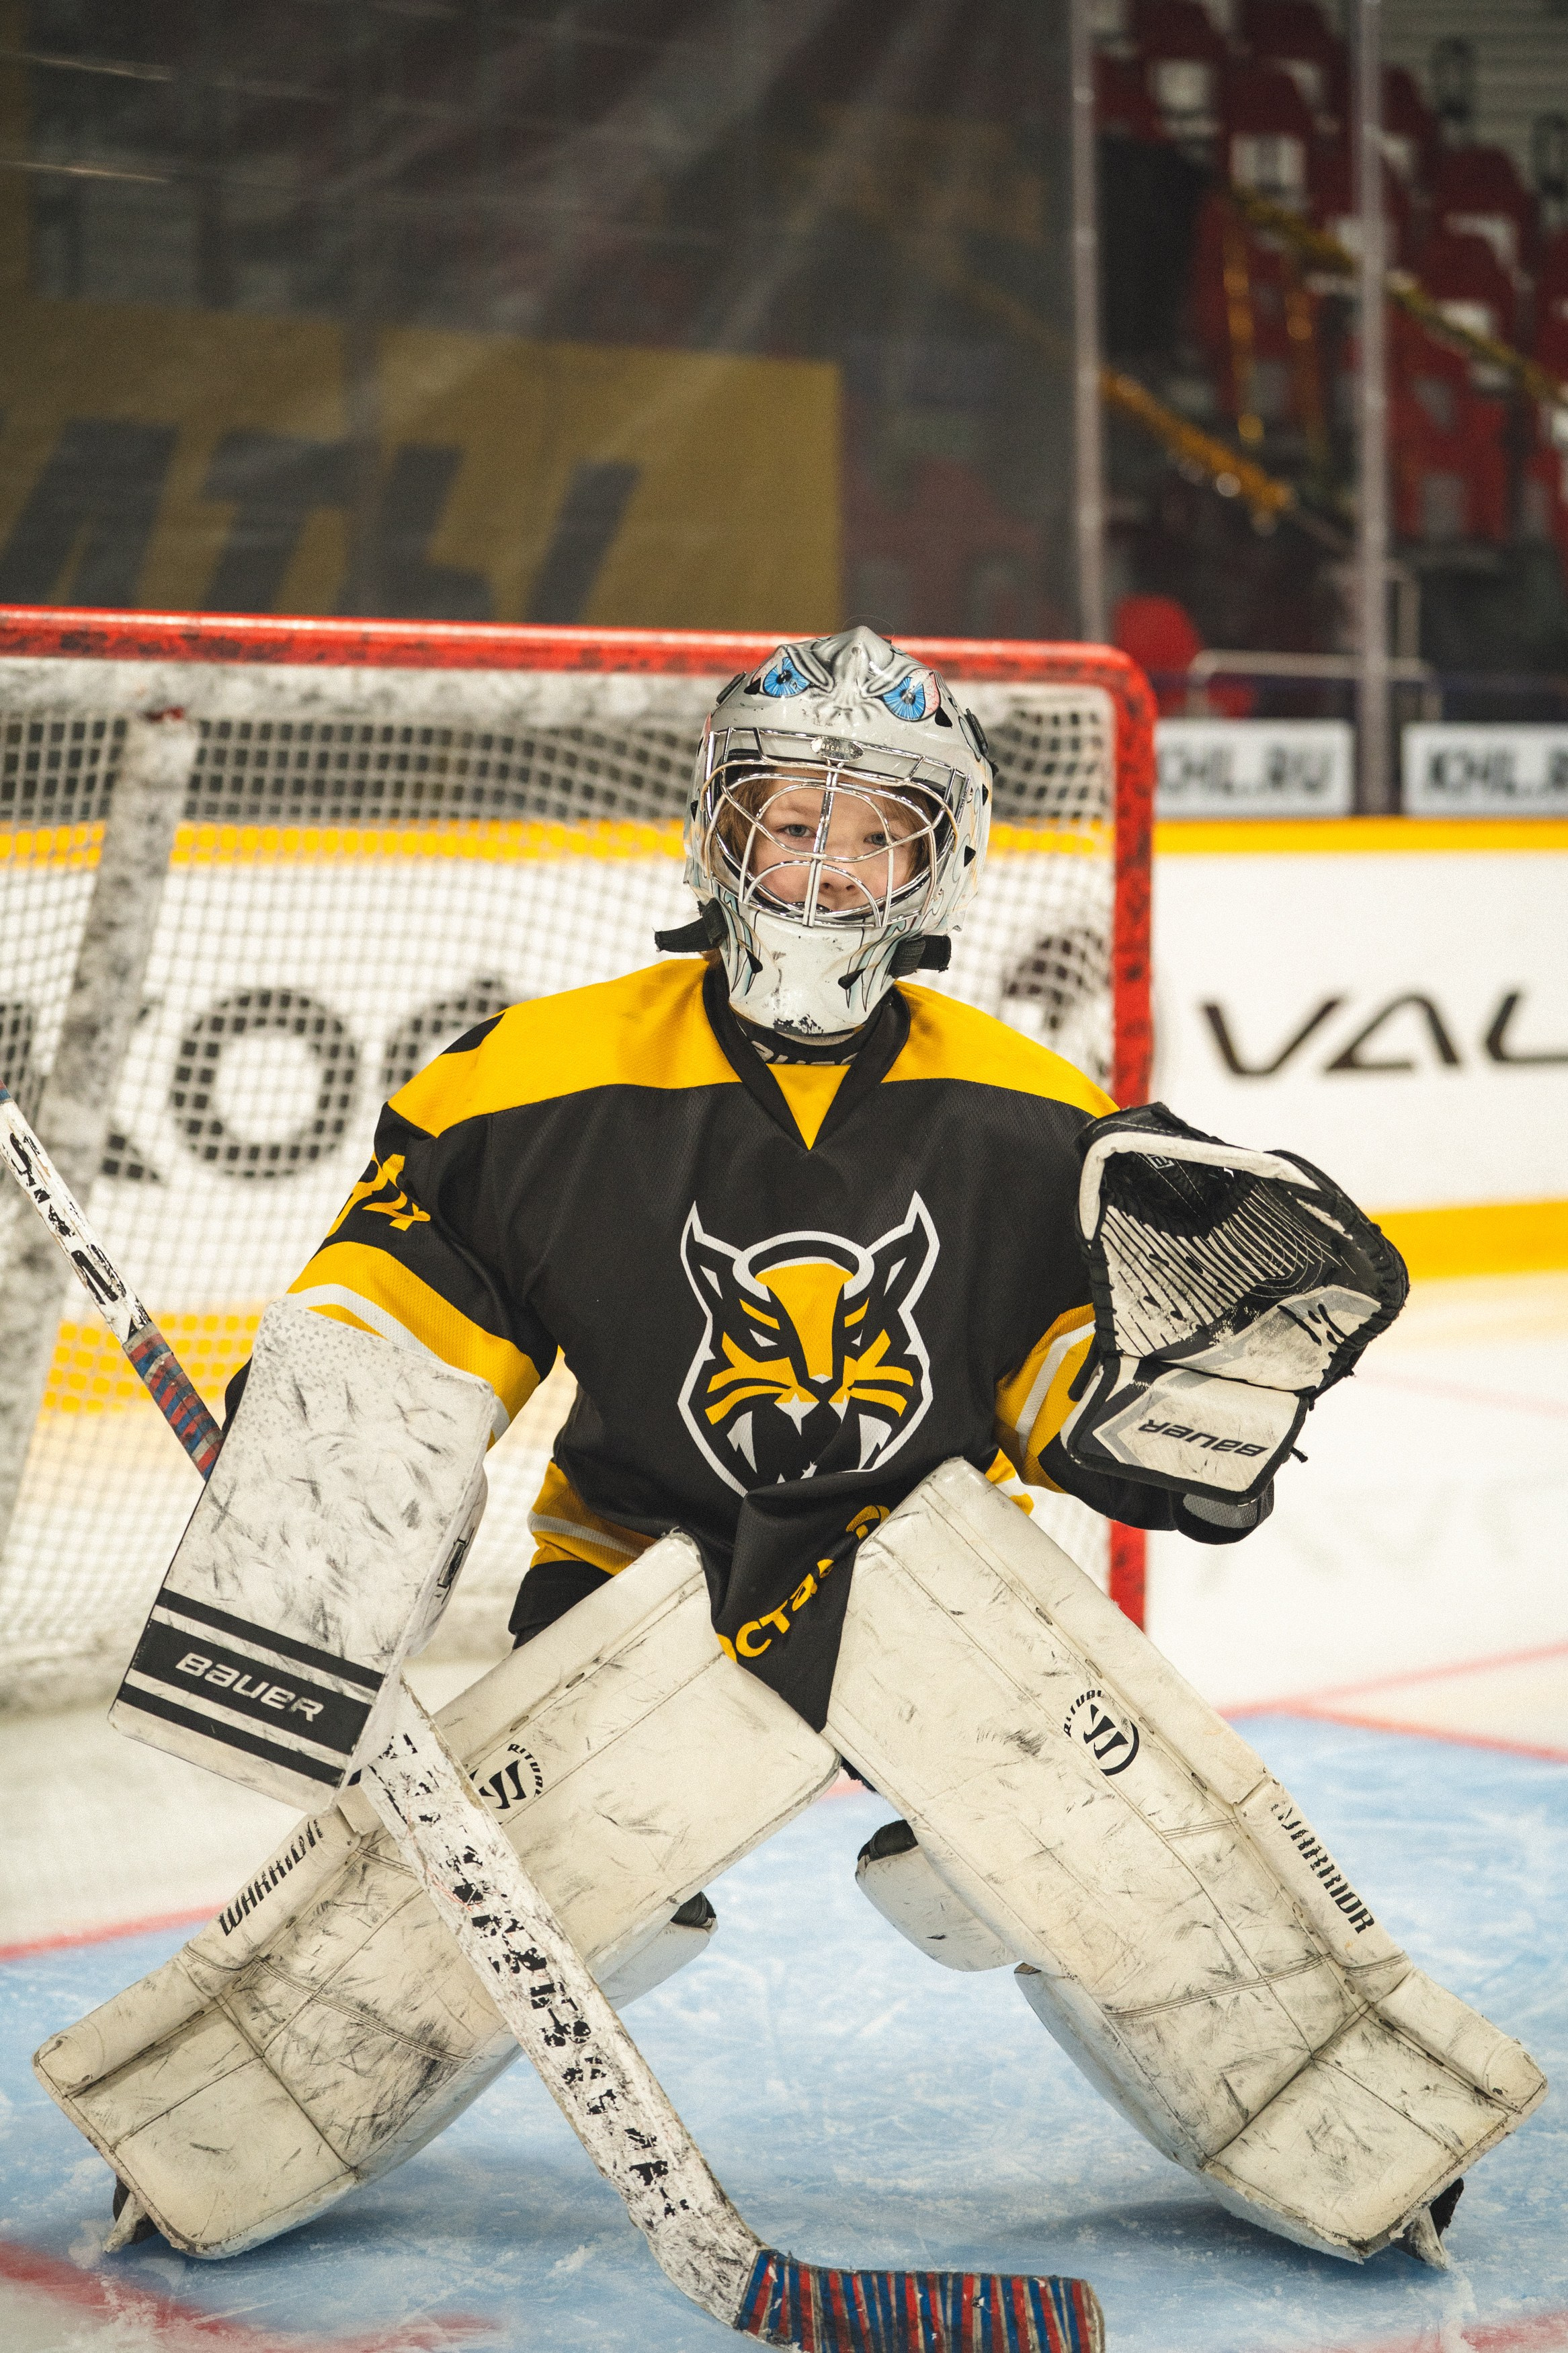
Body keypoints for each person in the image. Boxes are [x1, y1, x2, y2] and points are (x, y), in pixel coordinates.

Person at [260, 625, 1267, 1731]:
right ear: (718, 829)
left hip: (933, 1584)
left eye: (880, 834)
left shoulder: (1035, 1118)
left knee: (1063, 1879)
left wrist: (1189, 1439)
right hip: (629, 1576)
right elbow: (406, 1332)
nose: (829, 863)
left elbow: (1054, 1371)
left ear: (942, 868)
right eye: (792, 823)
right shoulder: (523, 1086)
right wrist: (325, 1432)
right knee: (590, 1900)